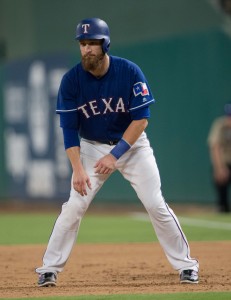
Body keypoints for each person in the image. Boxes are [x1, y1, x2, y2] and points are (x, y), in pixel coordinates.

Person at [35, 17, 199, 287]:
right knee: (74, 205)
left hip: (132, 146)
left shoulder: (129, 72)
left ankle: (187, 266)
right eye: (82, 43)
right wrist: (77, 168)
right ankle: (49, 269)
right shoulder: (71, 81)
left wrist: (116, 155)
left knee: (155, 204)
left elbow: (141, 120)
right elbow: (68, 129)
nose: (86, 49)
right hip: (90, 147)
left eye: (92, 43)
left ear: (105, 44)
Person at [207, 103, 231, 213]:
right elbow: (215, 146)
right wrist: (219, 168)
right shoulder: (220, 125)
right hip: (225, 161)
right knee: (220, 178)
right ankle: (222, 207)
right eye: (228, 116)